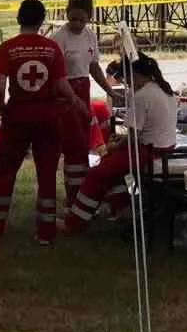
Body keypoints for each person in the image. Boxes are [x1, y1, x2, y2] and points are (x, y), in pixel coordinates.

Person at [0, 0, 89, 245]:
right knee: (47, 174)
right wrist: (77, 103)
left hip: (18, 117)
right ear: (42, 21)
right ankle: (46, 233)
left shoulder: (8, 48)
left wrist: (3, 107)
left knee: (3, 170)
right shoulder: (52, 48)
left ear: (18, 19)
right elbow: (61, 85)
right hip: (48, 119)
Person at [64, 54, 177, 232]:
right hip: (164, 148)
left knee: (96, 173)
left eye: (126, 79)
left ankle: (75, 222)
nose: (127, 84)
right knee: (113, 167)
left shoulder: (141, 96)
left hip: (147, 152)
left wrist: (113, 147)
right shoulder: (164, 89)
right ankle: (123, 209)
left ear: (134, 75)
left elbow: (132, 137)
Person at [49, 0, 121, 205]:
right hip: (65, 93)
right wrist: (72, 98)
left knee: (83, 143)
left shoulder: (90, 35)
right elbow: (56, 76)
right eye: (73, 19)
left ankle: (80, 190)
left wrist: (109, 90)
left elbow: (93, 67)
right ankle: (74, 195)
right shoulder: (58, 38)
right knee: (74, 144)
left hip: (83, 89)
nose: (78, 24)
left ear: (89, 17)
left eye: (82, 20)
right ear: (66, 13)